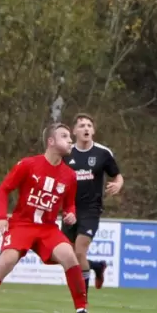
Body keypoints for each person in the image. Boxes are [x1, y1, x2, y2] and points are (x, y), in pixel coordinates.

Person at [0, 123, 93, 313]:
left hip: (47, 228)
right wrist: (2, 217)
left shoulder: (70, 175)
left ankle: (82, 311)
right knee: (7, 261)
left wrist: (70, 214)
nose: (70, 139)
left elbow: (69, 204)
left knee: (69, 256)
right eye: (64, 136)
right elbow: (3, 189)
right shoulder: (28, 164)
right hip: (22, 224)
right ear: (51, 142)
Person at [61, 113, 123, 296]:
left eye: (89, 125)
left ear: (93, 130)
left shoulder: (103, 153)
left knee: (80, 251)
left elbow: (117, 175)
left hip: (91, 209)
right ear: (74, 131)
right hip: (69, 209)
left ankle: (83, 301)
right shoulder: (66, 152)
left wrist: (118, 184)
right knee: (69, 255)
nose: (86, 128)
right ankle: (96, 266)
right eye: (81, 125)